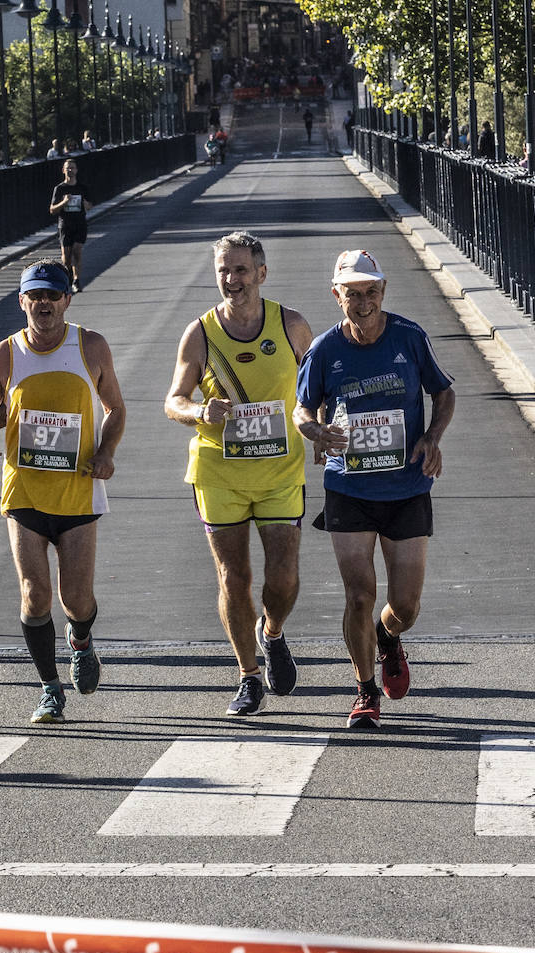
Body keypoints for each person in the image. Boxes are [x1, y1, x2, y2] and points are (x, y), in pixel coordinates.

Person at [294, 249, 455, 731]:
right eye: (352, 294)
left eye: (371, 293)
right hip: (350, 487)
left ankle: (388, 638)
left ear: (382, 292)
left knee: (404, 606)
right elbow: (303, 408)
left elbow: (443, 393)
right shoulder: (324, 349)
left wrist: (432, 438)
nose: (363, 303)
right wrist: (315, 432)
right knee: (359, 594)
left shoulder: (408, 337)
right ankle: (364, 690)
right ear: (336, 294)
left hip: (406, 486)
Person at [0, 259, 126, 725]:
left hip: (78, 490)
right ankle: (49, 688)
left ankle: (81, 640)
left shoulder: (90, 346)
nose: (44, 304)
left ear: (66, 301)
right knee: (34, 595)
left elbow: (115, 408)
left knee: (75, 598)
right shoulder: (5, 354)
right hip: (24, 492)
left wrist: (107, 451)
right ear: (22, 302)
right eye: (35, 296)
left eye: (53, 296)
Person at [164, 231, 313, 716]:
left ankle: (271, 632)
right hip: (219, 473)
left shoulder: (290, 326)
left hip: (279, 471)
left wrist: (323, 430)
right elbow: (173, 400)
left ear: (262, 274)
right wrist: (198, 412)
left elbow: (319, 388)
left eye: (241, 270)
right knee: (234, 577)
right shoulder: (201, 333)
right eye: (224, 271)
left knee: (284, 576)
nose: (232, 279)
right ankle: (249, 676)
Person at [49, 157, 93, 293]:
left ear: (76, 170)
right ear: (63, 170)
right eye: (68, 168)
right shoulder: (59, 189)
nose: (70, 170)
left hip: (79, 223)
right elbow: (52, 210)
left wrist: (86, 205)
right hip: (65, 225)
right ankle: (67, 275)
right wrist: (64, 203)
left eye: (72, 168)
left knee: (77, 251)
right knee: (66, 257)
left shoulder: (82, 188)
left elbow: (90, 205)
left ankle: (76, 280)